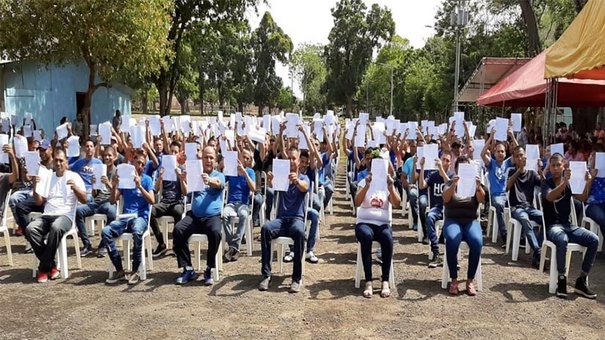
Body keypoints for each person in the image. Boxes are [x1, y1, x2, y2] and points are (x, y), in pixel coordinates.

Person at [542, 153, 599, 299]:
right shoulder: (546, 183)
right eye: (553, 165)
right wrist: (565, 182)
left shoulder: (568, 183)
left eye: (558, 165)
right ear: (550, 166)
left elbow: (582, 198)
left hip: (568, 225)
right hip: (552, 227)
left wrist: (587, 182)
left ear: (563, 166)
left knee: (594, 239)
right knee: (562, 239)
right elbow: (550, 197)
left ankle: (582, 279)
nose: (555, 168)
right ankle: (562, 278)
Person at [25, 149, 87, 283]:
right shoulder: (49, 177)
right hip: (47, 215)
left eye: (61, 160)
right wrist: (35, 185)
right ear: (53, 161)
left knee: (56, 227)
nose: (58, 163)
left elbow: (84, 200)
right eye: (56, 160)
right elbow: (39, 201)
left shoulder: (74, 176)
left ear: (66, 162)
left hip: (65, 216)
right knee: (30, 229)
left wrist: (75, 188)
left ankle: (43, 268)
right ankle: (51, 265)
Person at [258, 147, 310, 293]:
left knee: (299, 232)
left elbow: (305, 187)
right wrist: (270, 181)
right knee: (266, 228)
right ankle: (266, 275)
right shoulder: (282, 177)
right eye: (289, 159)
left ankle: (296, 278)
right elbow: (272, 188)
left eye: (294, 159)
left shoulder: (304, 177)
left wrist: (297, 181)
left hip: (296, 220)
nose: (292, 162)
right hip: (281, 220)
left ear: (299, 161)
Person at [172, 146, 224, 286]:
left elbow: (218, 184)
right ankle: (188, 268)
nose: (208, 160)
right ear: (201, 159)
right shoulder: (195, 174)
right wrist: (182, 180)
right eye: (206, 157)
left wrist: (209, 181)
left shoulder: (219, 175)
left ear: (215, 160)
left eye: (211, 158)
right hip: (195, 217)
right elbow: (185, 192)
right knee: (178, 229)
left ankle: (209, 268)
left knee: (215, 232)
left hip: (212, 217)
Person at [103, 152, 155, 285]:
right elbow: (113, 200)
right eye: (138, 163)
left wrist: (140, 186)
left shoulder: (147, 180)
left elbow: (152, 200)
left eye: (143, 164)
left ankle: (135, 269)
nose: (140, 166)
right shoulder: (125, 180)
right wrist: (114, 185)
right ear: (133, 164)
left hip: (140, 217)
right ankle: (119, 269)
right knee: (106, 232)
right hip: (125, 217)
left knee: (137, 231)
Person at [354, 151, 401, 298]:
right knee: (366, 236)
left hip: (382, 223)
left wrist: (391, 188)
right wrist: (367, 186)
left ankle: (385, 280)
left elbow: (397, 204)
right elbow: (357, 202)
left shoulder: (387, 184)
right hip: (364, 222)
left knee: (387, 238)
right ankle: (368, 280)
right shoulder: (363, 182)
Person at [442, 156, 484, 296]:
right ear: (456, 169)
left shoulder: (475, 182)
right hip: (453, 219)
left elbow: (482, 199)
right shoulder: (449, 183)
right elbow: (446, 198)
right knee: (453, 239)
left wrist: (478, 187)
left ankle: (470, 280)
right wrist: (454, 184)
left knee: (477, 241)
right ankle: (454, 279)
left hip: (471, 220)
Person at [75, 145, 118, 257]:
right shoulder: (99, 169)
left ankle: (103, 245)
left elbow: (117, 196)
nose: (107, 158)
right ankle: (86, 244)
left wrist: (108, 183)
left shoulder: (117, 172)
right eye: (105, 156)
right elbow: (94, 195)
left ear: (114, 157)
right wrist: (94, 185)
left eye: (109, 155)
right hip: (97, 202)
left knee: (112, 214)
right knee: (78, 211)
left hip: (109, 201)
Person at [507, 146, 544, 268]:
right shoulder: (512, 172)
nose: (520, 158)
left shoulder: (532, 174)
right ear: (514, 159)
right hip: (516, 208)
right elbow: (507, 186)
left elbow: (544, 186)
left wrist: (541, 171)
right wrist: (520, 170)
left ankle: (537, 252)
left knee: (545, 218)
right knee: (525, 219)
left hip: (529, 207)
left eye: (521, 155)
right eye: (517, 156)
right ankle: (538, 251)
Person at [149, 141, 187, 257]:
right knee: (150, 212)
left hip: (177, 202)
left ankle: (176, 244)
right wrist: (160, 178)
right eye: (172, 151)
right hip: (165, 201)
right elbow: (156, 190)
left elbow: (185, 193)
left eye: (176, 152)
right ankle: (161, 243)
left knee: (178, 211)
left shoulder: (182, 169)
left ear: (179, 154)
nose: (173, 154)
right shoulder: (163, 168)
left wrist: (181, 178)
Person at [481, 126, 517, 245]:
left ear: (505, 153)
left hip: (507, 194)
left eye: (502, 151)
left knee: (518, 207)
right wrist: (491, 138)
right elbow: (482, 154)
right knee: (499, 204)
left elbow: (518, 153)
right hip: (496, 196)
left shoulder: (507, 163)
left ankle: (519, 236)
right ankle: (504, 234)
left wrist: (512, 136)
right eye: (498, 151)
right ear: (494, 153)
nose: (500, 153)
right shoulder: (491, 163)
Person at [418, 150, 452, 267]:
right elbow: (422, 185)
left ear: (450, 164)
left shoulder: (451, 175)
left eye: (447, 161)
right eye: (443, 159)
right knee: (430, 216)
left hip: (449, 209)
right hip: (436, 209)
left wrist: (442, 171)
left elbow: (450, 184)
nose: (445, 162)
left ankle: (450, 251)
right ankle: (435, 250)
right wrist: (422, 167)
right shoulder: (433, 175)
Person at [222, 148, 255, 261]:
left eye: (248, 158)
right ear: (239, 156)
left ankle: (232, 248)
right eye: (243, 156)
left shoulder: (250, 172)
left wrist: (245, 174)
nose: (245, 159)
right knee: (224, 215)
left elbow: (254, 188)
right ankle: (234, 247)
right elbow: (222, 182)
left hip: (243, 203)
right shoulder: (231, 170)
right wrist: (222, 166)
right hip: (231, 203)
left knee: (244, 215)